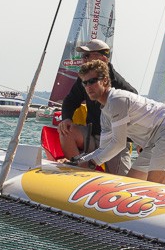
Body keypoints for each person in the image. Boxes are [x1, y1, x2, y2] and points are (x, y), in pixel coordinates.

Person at [70, 59, 165, 184]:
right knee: (131, 185)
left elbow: (119, 143)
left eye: (92, 81)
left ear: (105, 80)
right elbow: (103, 148)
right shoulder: (105, 114)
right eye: (85, 83)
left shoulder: (117, 100)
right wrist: (78, 161)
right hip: (152, 143)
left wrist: (91, 163)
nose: (88, 87)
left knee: (153, 189)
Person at [57, 38, 136, 174]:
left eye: (87, 56)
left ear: (103, 59)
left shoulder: (123, 89)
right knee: (65, 130)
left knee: (123, 179)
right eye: (83, 56)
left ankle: (86, 168)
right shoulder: (84, 78)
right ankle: (79, 171)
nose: (83, 60)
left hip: (116, 142)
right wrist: (66, 119)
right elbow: (70, 101)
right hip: (94, 136)